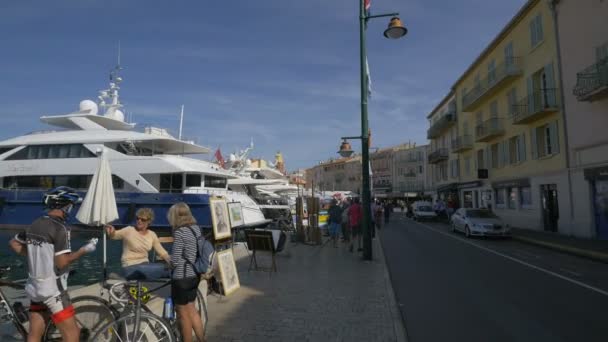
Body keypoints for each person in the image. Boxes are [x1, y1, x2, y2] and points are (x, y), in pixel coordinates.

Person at [9, 186, 98, 342]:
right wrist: (84, 250)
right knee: (72, 334)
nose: (72, 208)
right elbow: (62, 262)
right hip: (53, 290)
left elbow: (15, 244)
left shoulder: (35, 224)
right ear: (66, 206)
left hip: (34, 287)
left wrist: (39, 257)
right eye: (72, 205)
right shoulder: (60, 228)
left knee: (35, 334)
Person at [168, 202, 206, 342]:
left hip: (182, 277)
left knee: (183, 315)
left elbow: (176, 260)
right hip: (194, 275)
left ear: (175, 216)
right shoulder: (196, 228)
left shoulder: (180, 232)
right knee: (192, 310)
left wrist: (167, 262)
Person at [105, 208, 171, 280]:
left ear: (149, 221)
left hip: (145, 265)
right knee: (162, 269)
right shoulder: (129, 230)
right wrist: (111, 231)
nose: (139, 221)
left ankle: (121, 278)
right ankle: (124, 277)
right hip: (130, 265)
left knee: (168, 269)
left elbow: (162, 252)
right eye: (137, 218)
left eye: (143, 220)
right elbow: (114, 235)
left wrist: (171, 262)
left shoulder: (152, 234)